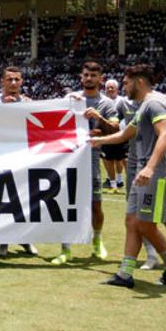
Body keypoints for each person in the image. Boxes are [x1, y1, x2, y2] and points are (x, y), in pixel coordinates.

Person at [90, 62, 166, 289]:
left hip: (158, 174)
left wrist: (150, 167)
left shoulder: (154, 103)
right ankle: (125, 274)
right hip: (144, 173)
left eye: (125, 82)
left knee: (145, 224)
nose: (123, 86)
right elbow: (126, 133)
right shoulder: (143, 106)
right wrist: (98, 141)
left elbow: (165, 136)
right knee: (132, 221)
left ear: (139, 81)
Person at [49, 60, 119, 266]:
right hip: (68, 160)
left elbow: (115, 130)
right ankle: (65, 249)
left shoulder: (106, 104)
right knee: (66, 204)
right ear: (81, 77)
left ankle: (97, 241)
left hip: (91, 159)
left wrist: (100, 120)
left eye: (93, 76)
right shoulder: (71, 99)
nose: (89, 79)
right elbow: (56, 126)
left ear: (100, 79)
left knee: (96, 205)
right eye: (86, 75)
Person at [0, 66, 37, 259]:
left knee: (24, 199)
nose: (13, 83)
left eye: (17, 79)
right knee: (2, 200)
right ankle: (3, 241)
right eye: (10, 79)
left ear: (22, 81)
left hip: (23, 158)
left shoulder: (29, 103)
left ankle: (25, 238)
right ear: (2, 82)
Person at [100, 79, 129, 191]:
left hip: (122, 134)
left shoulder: (123, 101)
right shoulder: (102, 101)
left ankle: (124, 181)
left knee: (123, 159)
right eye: (108, 87)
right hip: (107, 135)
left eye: (112, 87)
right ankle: (112, 184)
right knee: (108, 160)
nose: (110, 89)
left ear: (117, 89)